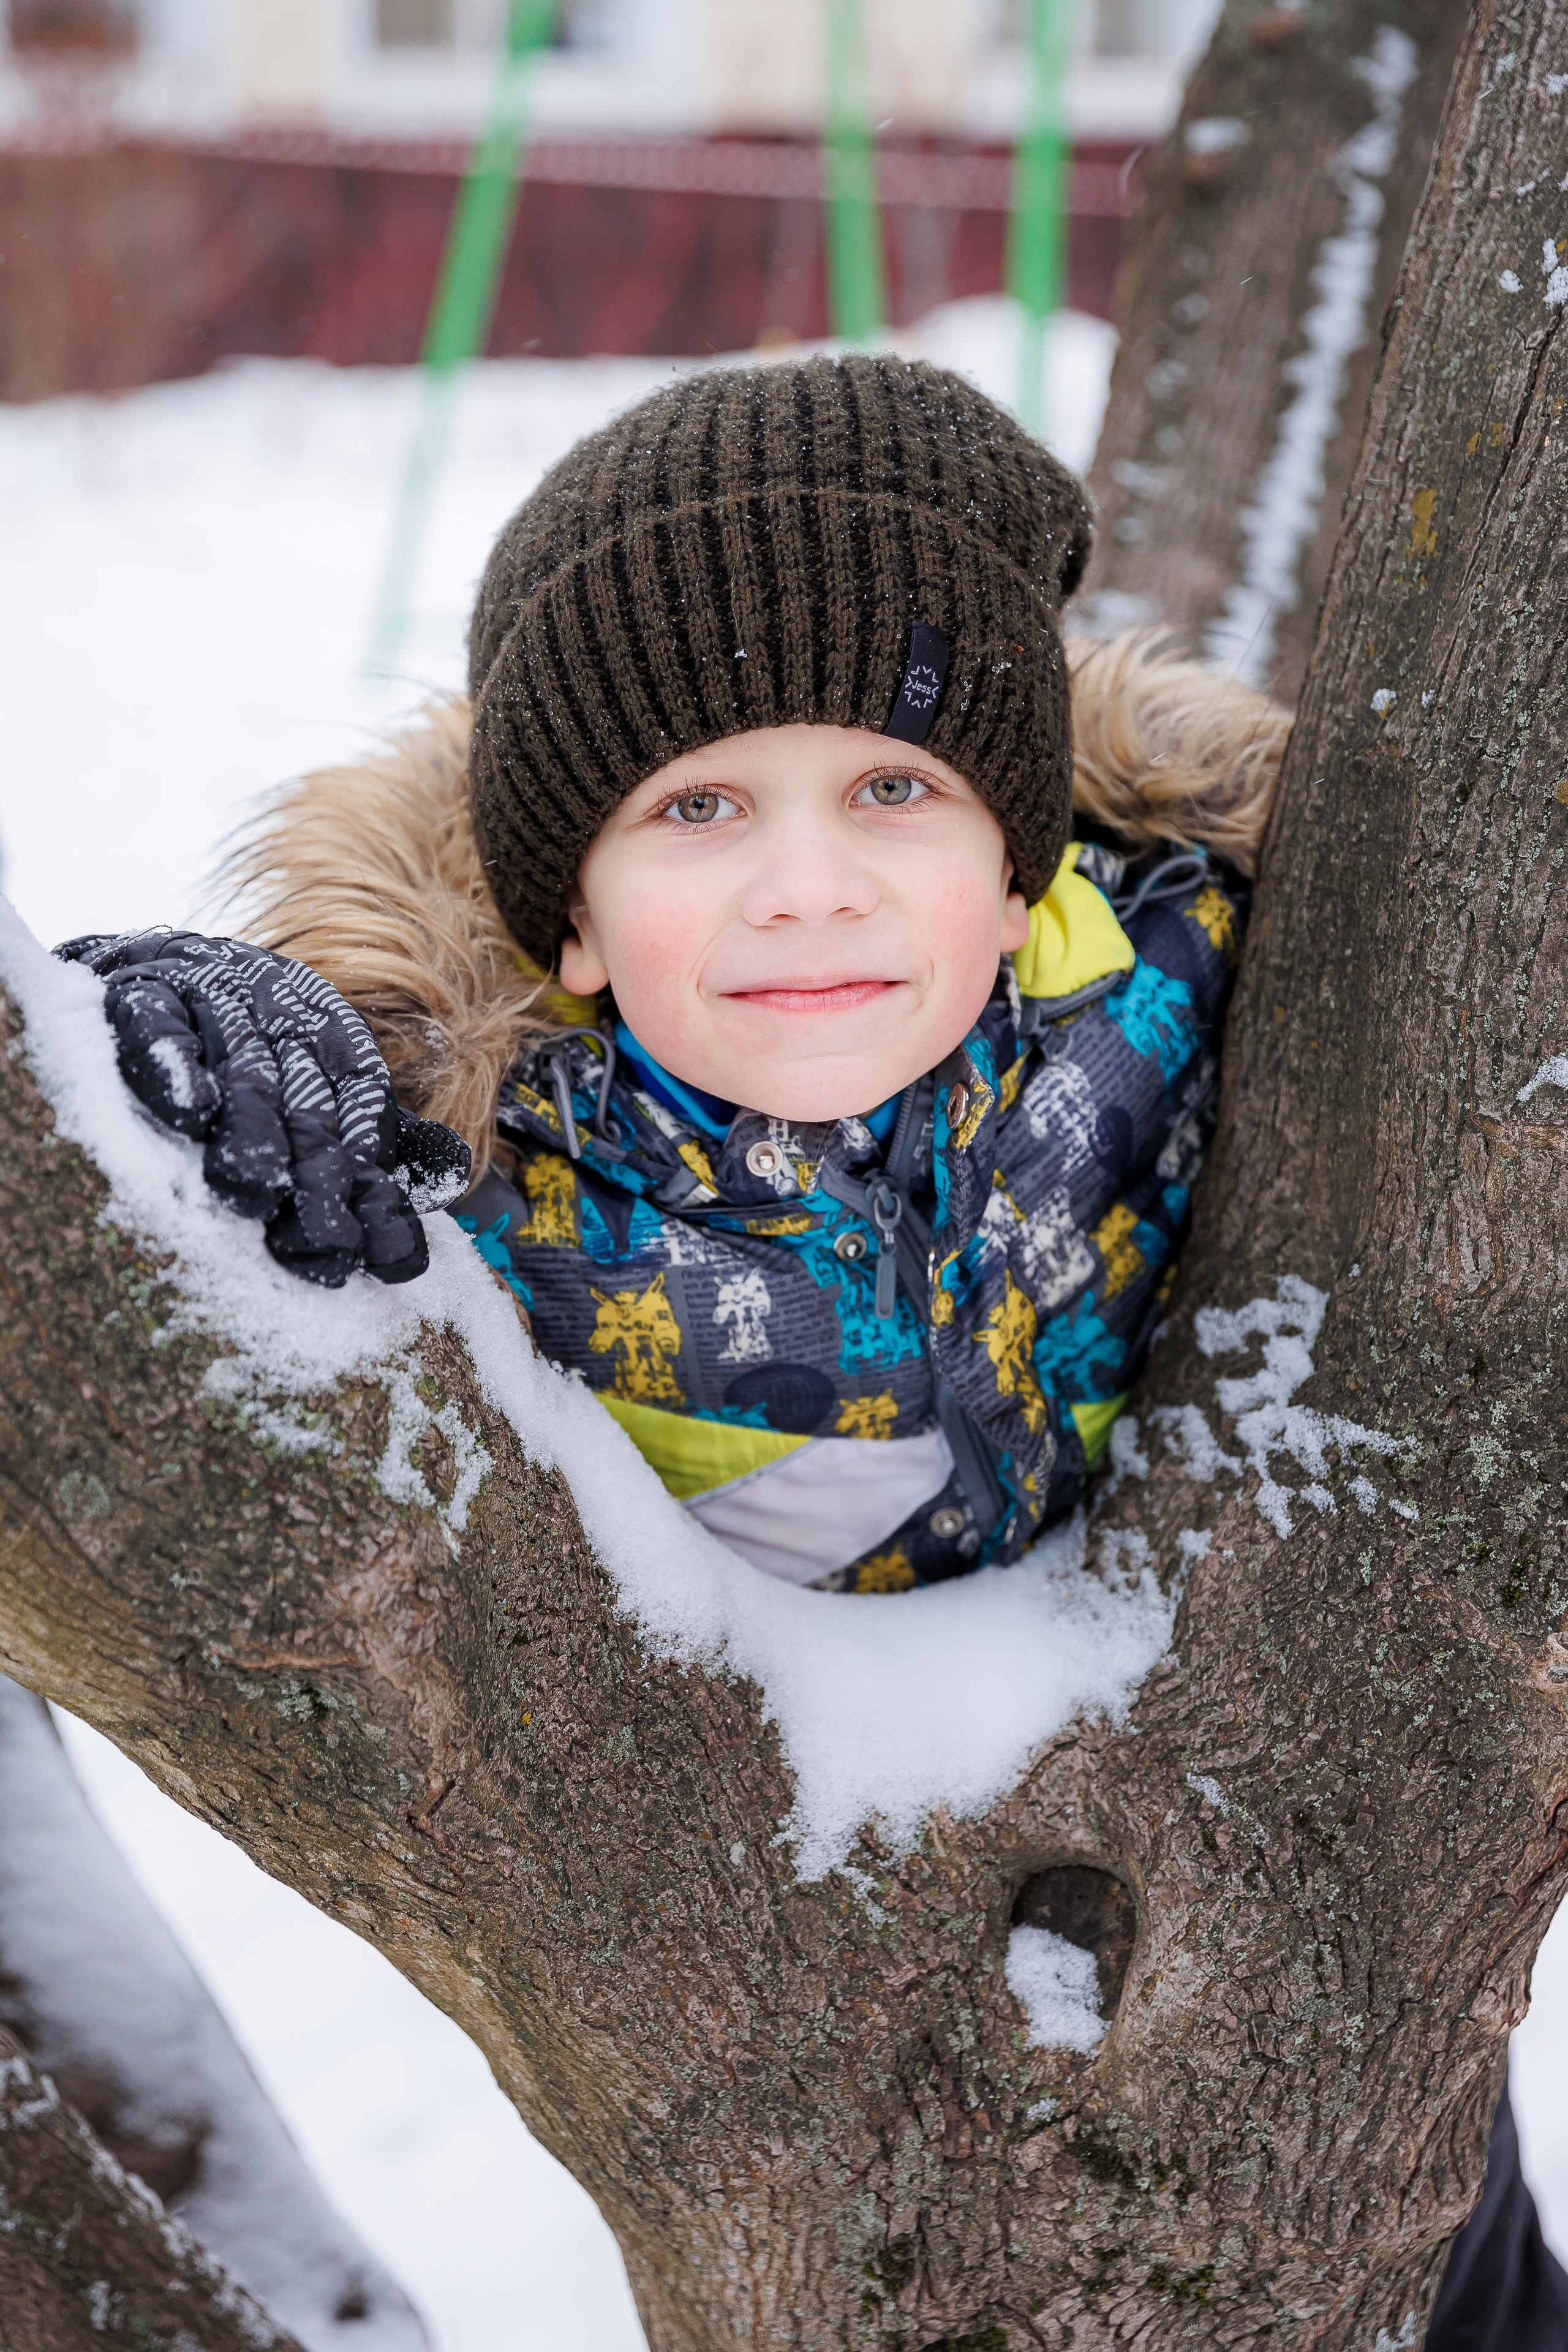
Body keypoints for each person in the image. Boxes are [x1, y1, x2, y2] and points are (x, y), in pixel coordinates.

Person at [59, 353, 1566, 2336]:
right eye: (697, 807)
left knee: (1460, 2276)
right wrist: (181, 1029)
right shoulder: (480, 1157)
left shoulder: (1194, 966)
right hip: (820, 1955)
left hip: (1264, 1889)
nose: (808, 885)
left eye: (894, 787)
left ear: (1017, 863)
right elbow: (164, 1152)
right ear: (569, 917)